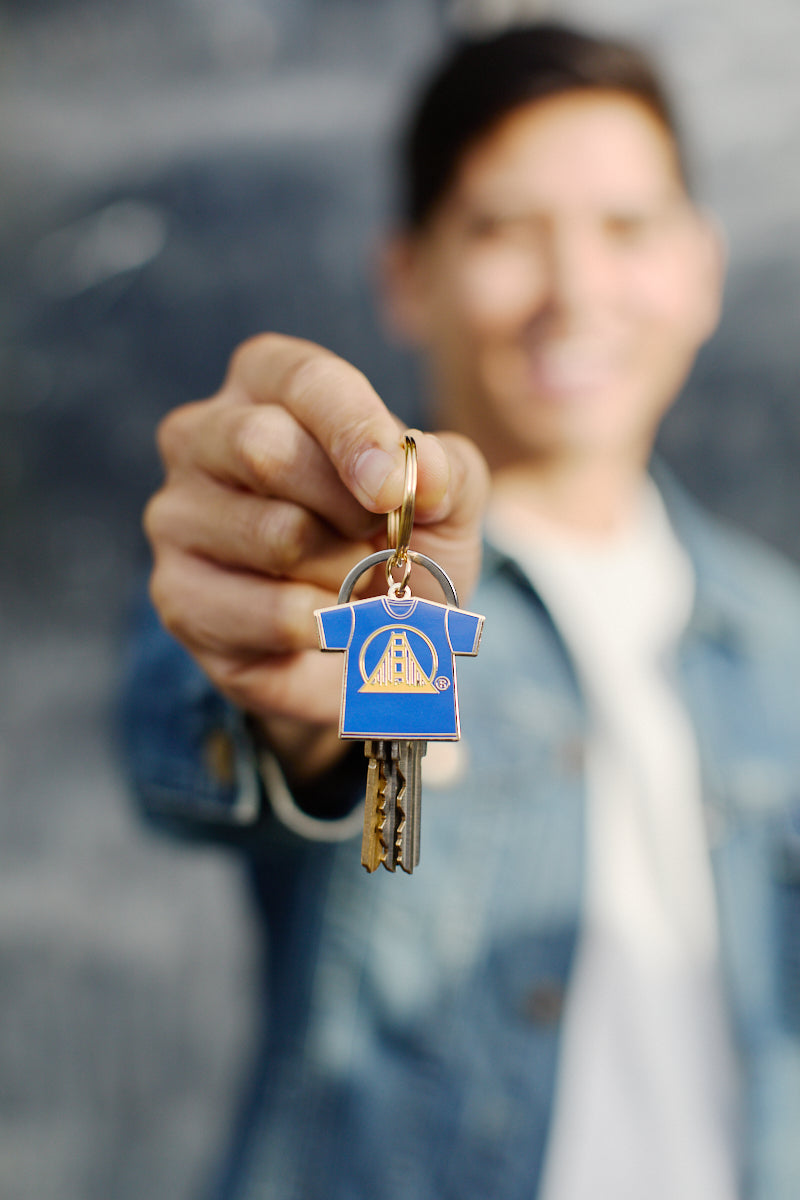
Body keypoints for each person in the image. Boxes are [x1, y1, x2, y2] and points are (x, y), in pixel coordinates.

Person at [122, 21, 800, 1200]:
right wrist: (277, 670)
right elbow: (210, 718)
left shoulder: (782, 639)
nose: (575, 291)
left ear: (699, 267)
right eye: (502, 231)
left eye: (626, 229)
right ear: (408, 275)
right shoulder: (350, 574)